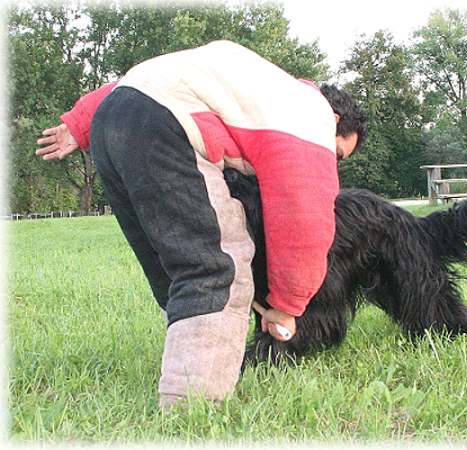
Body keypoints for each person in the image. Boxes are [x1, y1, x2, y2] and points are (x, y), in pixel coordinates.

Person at [36, 40, 367, 407]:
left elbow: (149, 77)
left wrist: (80, 124)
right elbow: (303, 223)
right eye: (337, 152)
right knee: (216, 268)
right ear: (334, 120)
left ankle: (185, 366)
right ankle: (192, 407)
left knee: (172, 270)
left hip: (111, 123)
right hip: (166, 128)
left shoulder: (257, 81)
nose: (332, 163)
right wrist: (288, 305)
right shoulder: (310, 114)